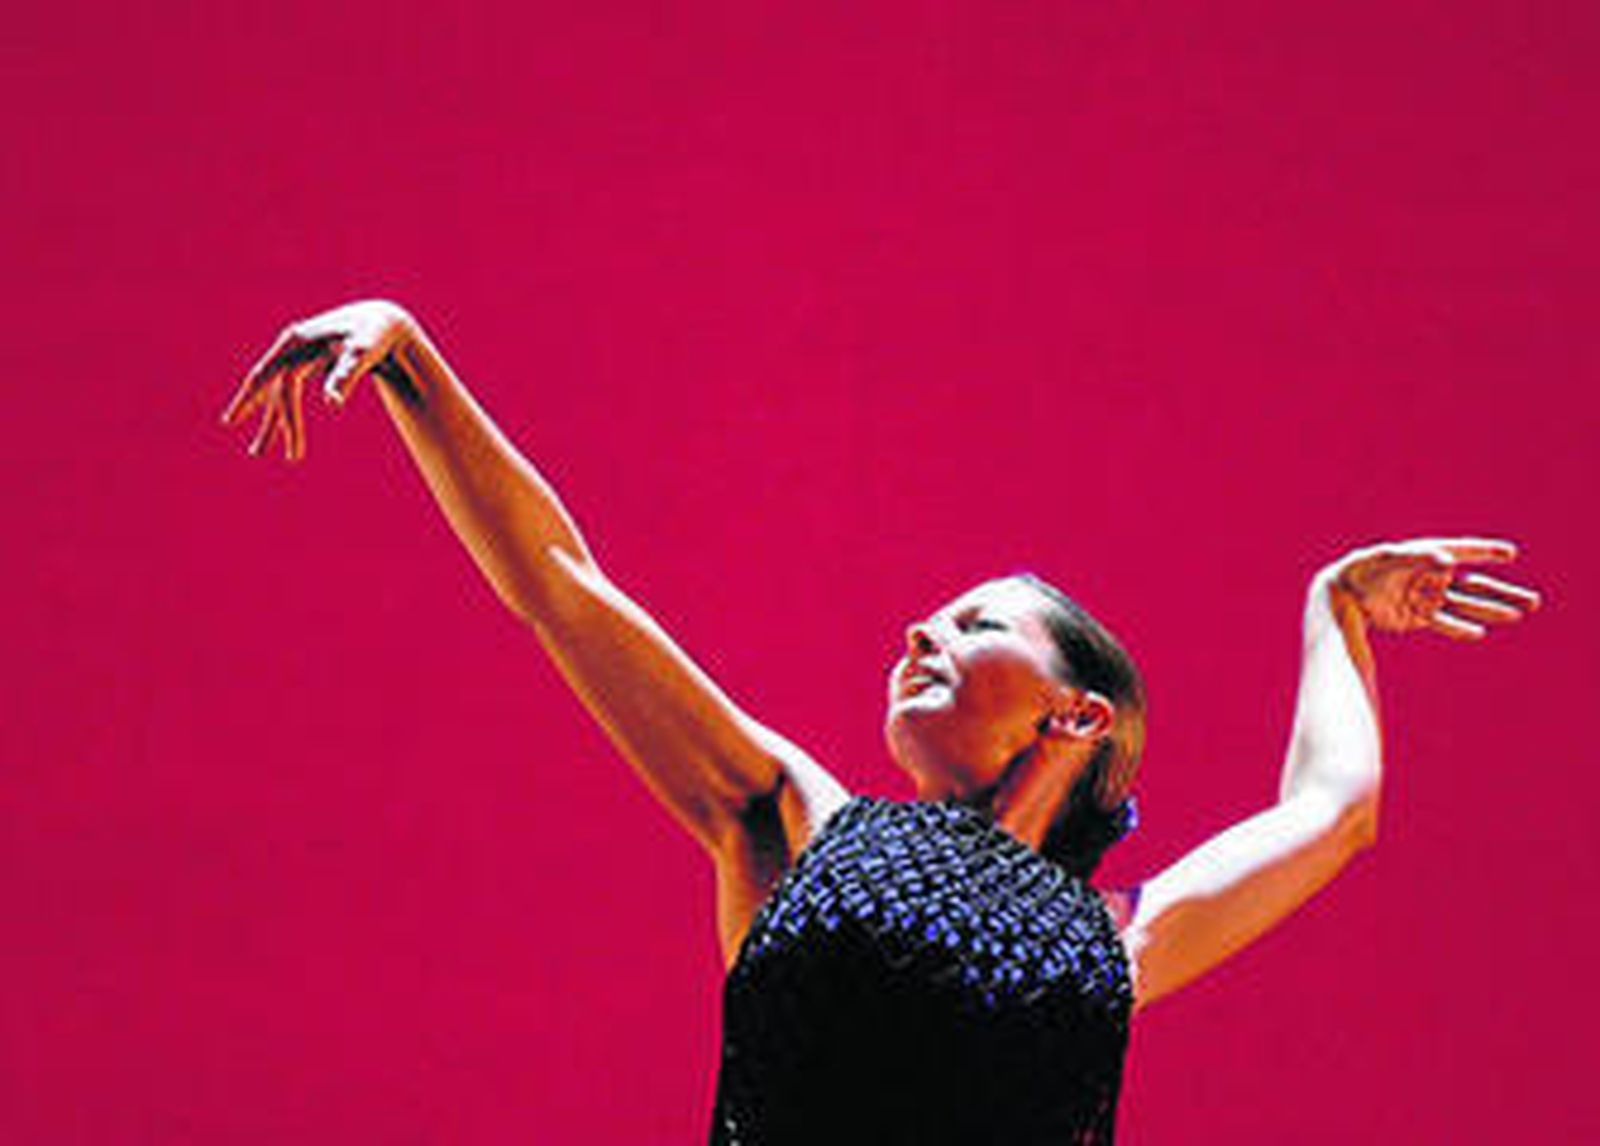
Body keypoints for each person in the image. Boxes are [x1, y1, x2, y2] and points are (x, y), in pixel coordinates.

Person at [223, 300, 1540, 1143]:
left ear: (1078, 711)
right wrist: (411, 357)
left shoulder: (1118, 938)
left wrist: (1336, 606)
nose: (919, 632)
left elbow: (1333, 811)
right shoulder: (796, 820)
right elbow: (564, 589)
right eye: (930, 618)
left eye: (976, 623)